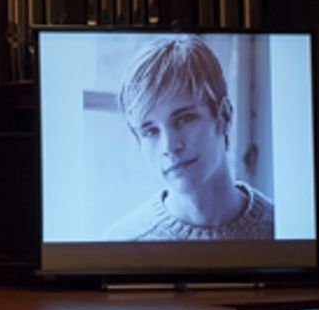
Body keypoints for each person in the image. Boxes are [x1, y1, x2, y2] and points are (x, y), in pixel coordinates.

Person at [105, 35, 274, 241]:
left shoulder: (286, 229)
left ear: (225, 116)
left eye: (184, 119)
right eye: (150, 131)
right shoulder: (121, 244)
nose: (170, 146)